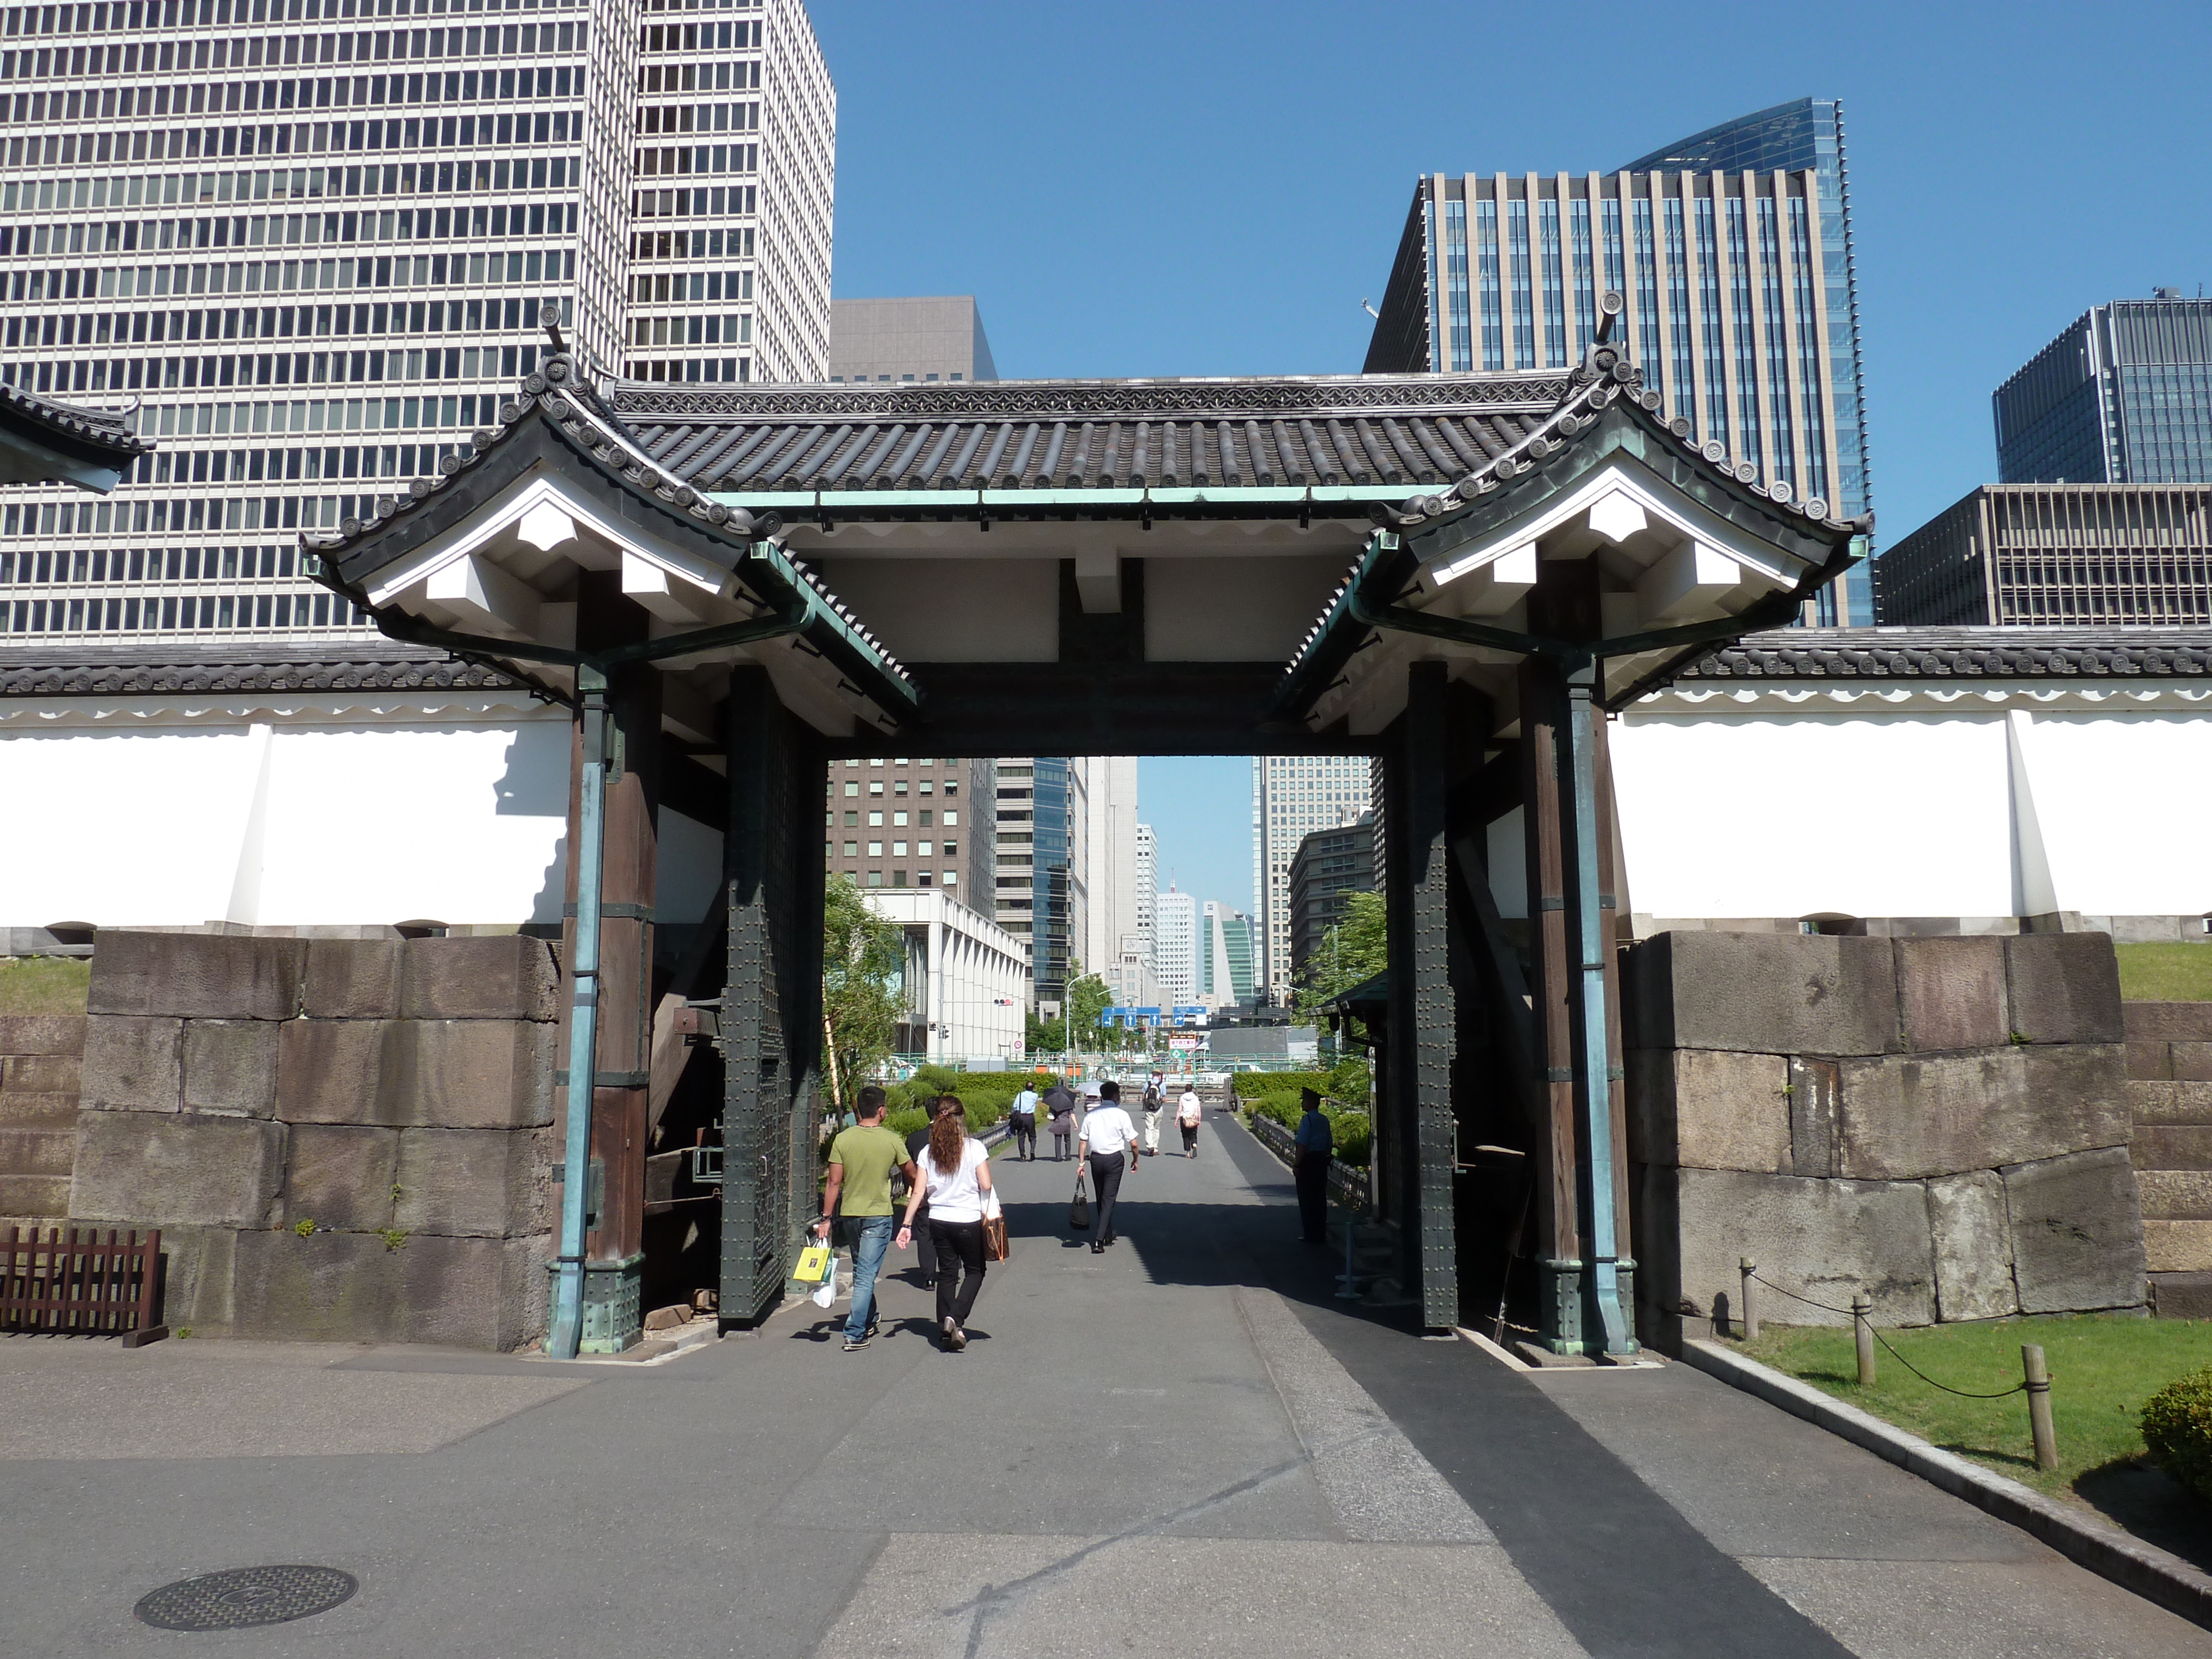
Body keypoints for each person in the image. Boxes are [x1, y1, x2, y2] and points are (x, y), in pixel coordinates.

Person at [812, 1085, 916, 1352]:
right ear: (881, 1111)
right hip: (878, 1215)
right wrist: (919, 1191)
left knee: (862, 1270)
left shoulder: (843, 1140)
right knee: (866, 1275)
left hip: (850, 1215)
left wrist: (826, 1218)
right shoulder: (892, 1140)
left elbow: (834, 1183)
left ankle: (869, 1317)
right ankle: (855, 1333)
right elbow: (911, 1172)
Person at [896, 1093, 994, 1350]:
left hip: (938, 1219)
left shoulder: (929, 1151)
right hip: (967, 1219)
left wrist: (906, 1225)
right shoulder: (974, 1148)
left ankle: (944, 1329)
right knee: (975, 1271)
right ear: (961, 1118)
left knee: (948, 1273)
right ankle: (956, 1318)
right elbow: (986, 1184)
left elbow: (918, 1192)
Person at [1074, 1080, 1138, 1254]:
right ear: (1116, 1095)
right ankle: (1098, 1240)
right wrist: (1136, 1159)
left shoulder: (1091, 1115)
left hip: (1096, 1158)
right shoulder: (1121, 1115)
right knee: (1109, 1199)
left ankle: (1107, 1234)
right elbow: (1133, 1143)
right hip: (1115, 1159)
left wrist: (1081, 1163)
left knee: (1101, 1195)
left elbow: (1083, 1142)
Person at [904, 1095, 956, 1290]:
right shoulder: (953, 1135)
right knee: (948, 1232)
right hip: (948, 1193)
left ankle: (928, 1277)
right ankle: (948, 1270)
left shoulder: (914, 1138)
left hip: (922, 1193)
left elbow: (907, 1167)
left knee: (925, 1235)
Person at [1293, 1089, 1333, 1243]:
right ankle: (1320, 1232)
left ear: (1311, 1103)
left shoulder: (1307, 1120)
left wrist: (1297, 1164)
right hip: (1321, 1161)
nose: (1302, 1103)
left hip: (1308, 1161)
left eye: (1304, 1101)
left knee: (1307, 1198)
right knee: (1320, 1197)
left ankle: (1310, 1233)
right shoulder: (1324, 1120)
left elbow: (1302, 1144)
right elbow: (1329, 1143)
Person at [1044, 1079, 1078, 1161]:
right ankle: (1068, 1156)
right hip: (1066, 1124)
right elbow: (1072, 1114)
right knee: (1068, 1140)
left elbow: (1051, 1116)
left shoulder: (1054, 1104)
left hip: (1058, 1123)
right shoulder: (1068, 1103)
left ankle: (1058, 1157)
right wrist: (1076, 1124)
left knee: (1058, 1140)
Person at [1008, 1081, 1040, 1161]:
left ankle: (1022, 1155)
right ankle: (1032, 1150)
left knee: (1021, 1136)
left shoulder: (1021, 1095)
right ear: (1033, 1088)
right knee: (1032, 1136)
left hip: (1021, 1117)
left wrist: (1013, 1113)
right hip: (1030, 1117)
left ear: (1025, 1087)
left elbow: (1015, 1106)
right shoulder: (1035, 1096)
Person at [1140, 1073, 1164, 1157]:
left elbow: (1143, 1097)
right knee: (1156, 1128)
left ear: (1152, 1075)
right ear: (1160, 1076)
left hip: (1149, 1109)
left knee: (1149, 1128)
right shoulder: (1162, 1085)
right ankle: (1156, 1148)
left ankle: (1150, 1147)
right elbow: (1164, 1098)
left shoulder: (1148, 1084)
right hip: (1158, 1110)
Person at [1177, 1083, 1203, 1157]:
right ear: (1192, 1089)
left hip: (1184, 1118)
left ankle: (1188, 1153)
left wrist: (1176, 1120)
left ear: (1185, 1089)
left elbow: (1180, 1110)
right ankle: (1194, 1145)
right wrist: (1199, 1120)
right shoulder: (1195, 1098)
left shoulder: (1182, 1098)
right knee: (1193, 1134)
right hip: (1193, 1118)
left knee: (1186, 1136)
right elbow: (1199, 1110)